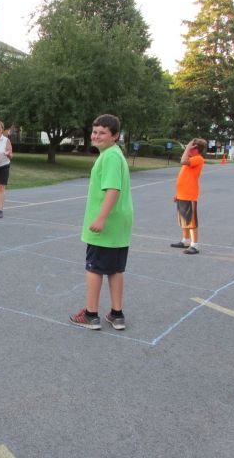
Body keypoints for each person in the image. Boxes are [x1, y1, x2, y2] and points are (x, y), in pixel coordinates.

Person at [69, 114, 133, 331]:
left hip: (107, 224)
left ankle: (91, 315)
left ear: (115, 136)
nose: (96, 136)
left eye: (102, 133)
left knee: (94, 269)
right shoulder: (114, 154)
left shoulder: (110, 157)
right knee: (115, 269)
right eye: (94, 132)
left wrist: (101, 217)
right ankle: (117, 314)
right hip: (118, 225)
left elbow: (113, 189)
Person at [170, 138, 206, 254]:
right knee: (184, 219)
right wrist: (178, 193)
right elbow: (185, 178)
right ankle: (185, 240)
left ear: (195, 149)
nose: (188, 149)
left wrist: (187, 148)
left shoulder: (198, 159)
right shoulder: (190, 159)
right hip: (182, 194)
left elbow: (183, 161)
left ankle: (195, 245)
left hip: (190, 195)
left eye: (191, 147)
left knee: (191, 221)